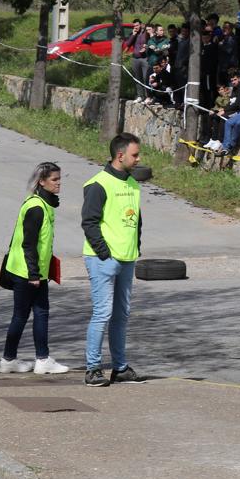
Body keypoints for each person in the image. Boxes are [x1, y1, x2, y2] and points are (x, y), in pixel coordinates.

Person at [81, 133, 143, 387]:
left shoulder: (133, 183)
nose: (138, 159)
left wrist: (135, 246)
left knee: (122, 315)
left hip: (127, 258)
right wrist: (104, 253)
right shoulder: (98, 184)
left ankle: (120, 367)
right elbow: (89, 222)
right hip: (103, 259)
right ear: (120, 155)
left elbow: (136, 220)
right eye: (135, 154)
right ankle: (93, 368)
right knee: (102, 313)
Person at [0, 162, 68, 375]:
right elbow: (28, 244)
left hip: (30, 270)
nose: (59, 183)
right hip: (28, 272)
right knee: (37, 313)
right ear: (42, 181)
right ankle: (40, 359)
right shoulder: (37, 208)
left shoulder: (41, 203)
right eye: (54, 179)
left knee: (26, 314)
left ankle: (11, 360)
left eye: (59, 179)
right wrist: (34, 275)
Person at [125, 21, 148, 93]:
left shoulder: (146, 34)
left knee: (145, 77)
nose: (135, 27)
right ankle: (140, 95)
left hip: (145, 58)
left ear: (141, 25)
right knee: (137, 78)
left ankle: (148, 96)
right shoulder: (133, 34)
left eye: (137, 25)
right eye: (134, 26)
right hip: (135, 59)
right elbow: (128, 44)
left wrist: (145, 48)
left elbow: (150, 43)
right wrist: (133, 35)